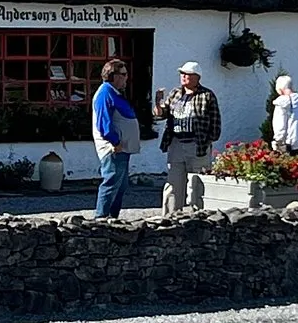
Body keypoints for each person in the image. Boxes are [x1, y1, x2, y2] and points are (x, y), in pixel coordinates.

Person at [155, 60, 222, 215]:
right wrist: (158, 102)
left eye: (187, 74)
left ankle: (198, 215)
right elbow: (161, 115)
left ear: (197, 77)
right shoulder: (175, 93)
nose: (184, 77)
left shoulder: (207, 96)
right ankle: (171, 216)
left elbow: (215, 122)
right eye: (182, 74)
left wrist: (207, 141)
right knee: (173, 184)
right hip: (177, 142)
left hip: (197, 144)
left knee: (197, 183)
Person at [91, 59, 140, 219]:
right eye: (124, 74)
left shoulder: (113, 92)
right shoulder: (105, 92)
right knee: (112, 182)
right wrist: (115, 142)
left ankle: (112, 218)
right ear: (114, 76)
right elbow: (104, 123)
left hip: (121, 148)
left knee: (120, 185)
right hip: (113, 148)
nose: (127, 78)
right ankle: (101, 219)